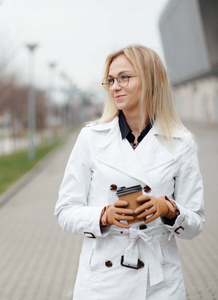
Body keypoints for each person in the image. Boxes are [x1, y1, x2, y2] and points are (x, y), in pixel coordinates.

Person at [54, 44, 204, 300]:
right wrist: (104, 215)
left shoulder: (180, 142)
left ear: (151, 81)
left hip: (159, 281)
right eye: (111, 80)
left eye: (124, 77)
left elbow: (196, 223)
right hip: (102, 279)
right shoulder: (91, 137)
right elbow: (65, 211)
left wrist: (168, 209)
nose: (115, 86)